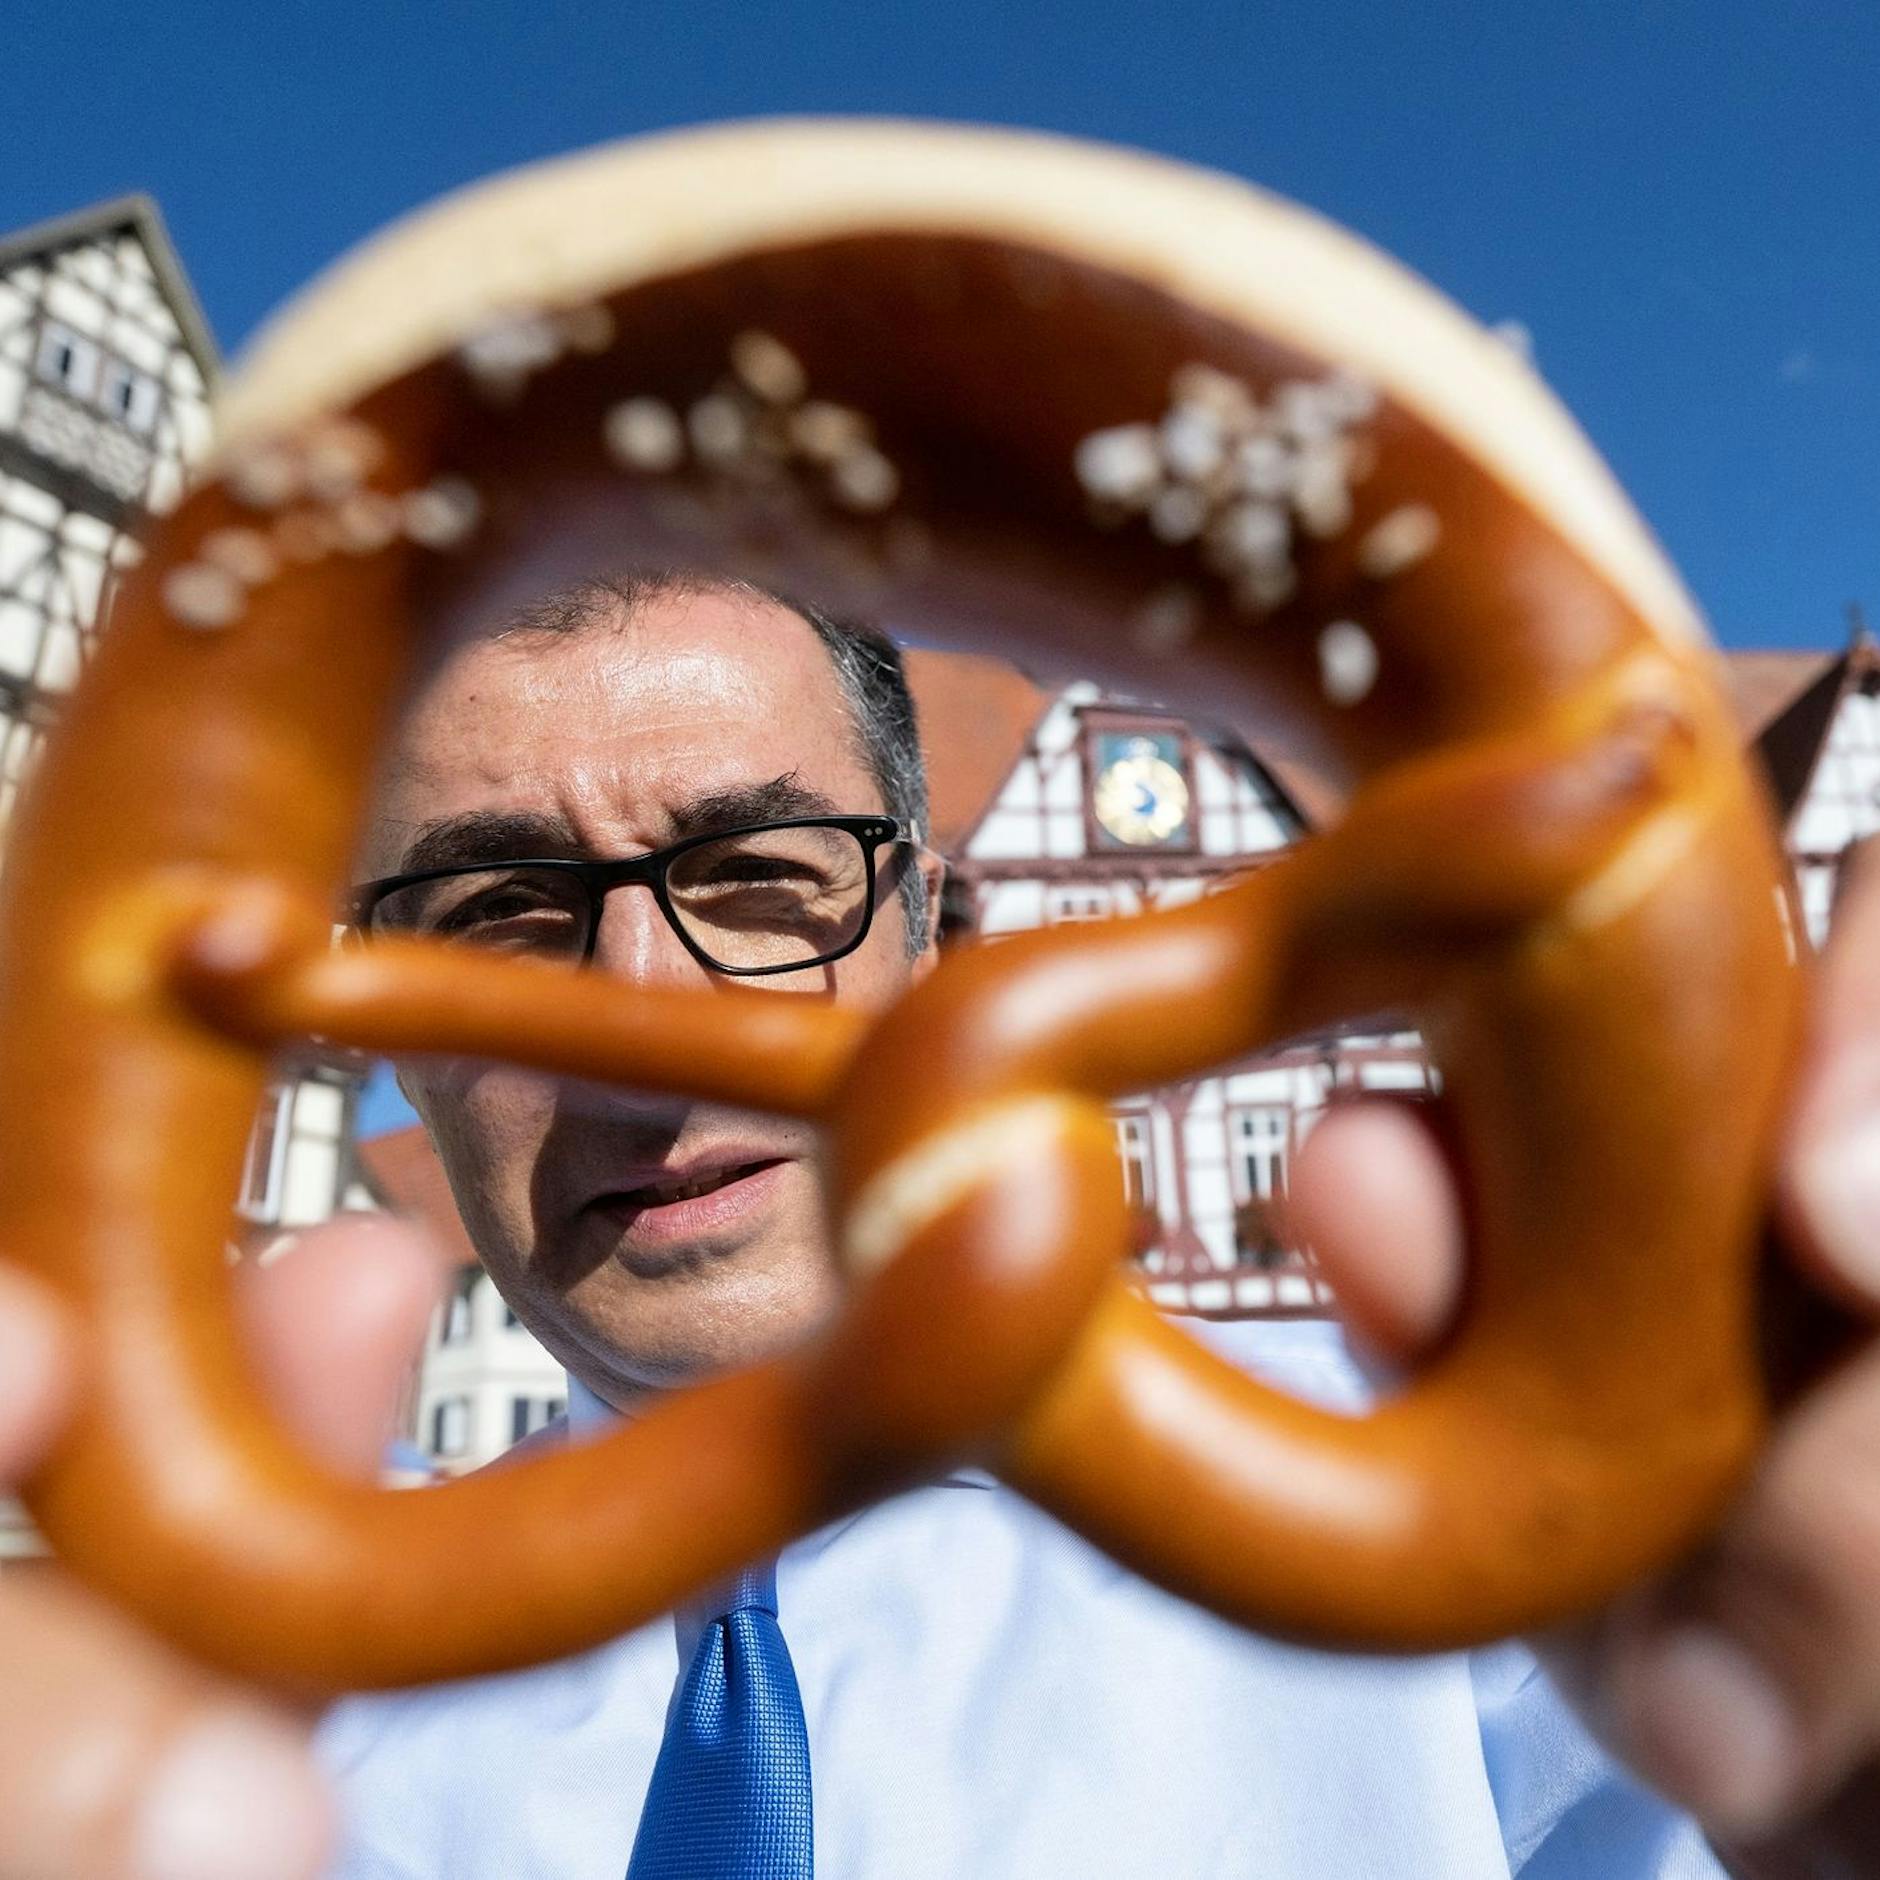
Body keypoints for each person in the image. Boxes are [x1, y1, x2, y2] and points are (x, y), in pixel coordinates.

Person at [0, 570, 1876, 1878]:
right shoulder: (224, 1717)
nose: (643, 1021)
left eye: (761, 876)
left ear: (941, 948)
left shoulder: (1488, 1511)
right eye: (497, 913)